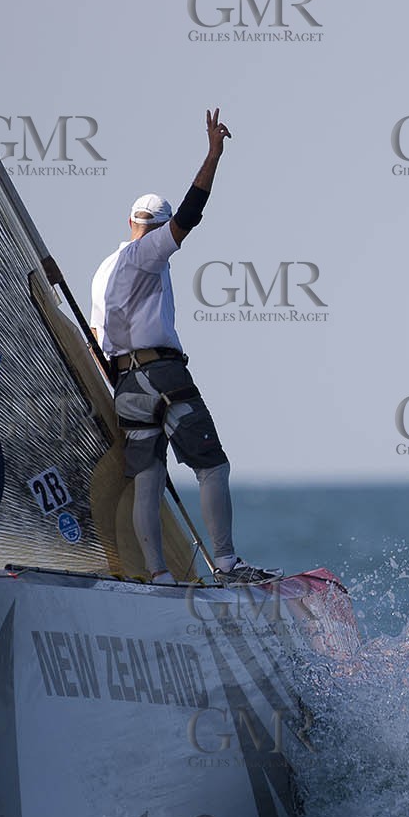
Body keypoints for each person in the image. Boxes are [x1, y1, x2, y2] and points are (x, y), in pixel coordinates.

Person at [90, 109, 279, 586]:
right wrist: (213, 155)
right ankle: (228, 565)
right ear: (157, 226)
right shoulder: (147, 251)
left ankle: (158, 576)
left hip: (125, 384)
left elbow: (98, 341)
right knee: (213, 465)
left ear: (126, 220)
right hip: (163, 375)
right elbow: (192, 214)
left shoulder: (103, 270)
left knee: (147, 484)